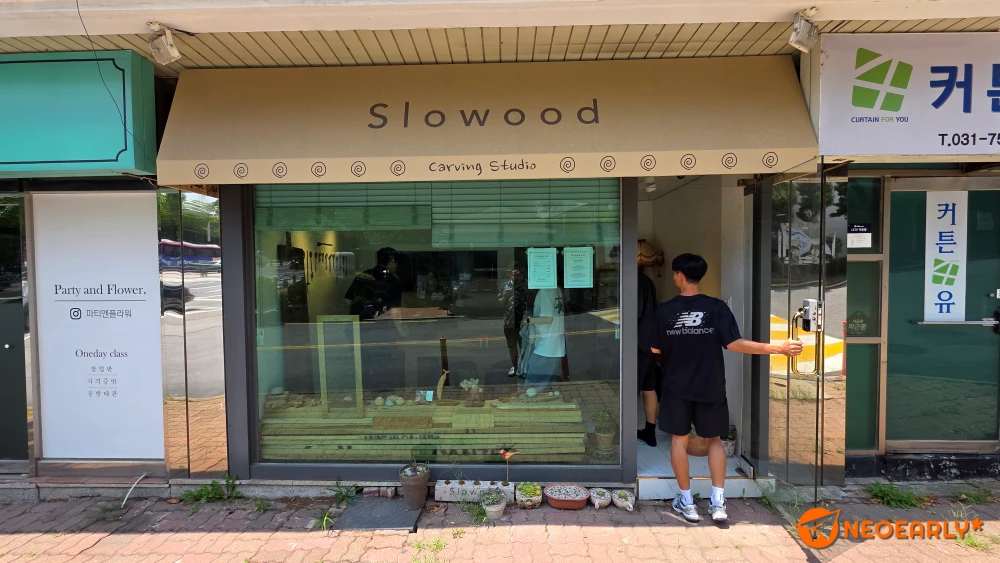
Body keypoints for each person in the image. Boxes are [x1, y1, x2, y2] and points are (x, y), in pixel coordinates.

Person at [654, 253, 802, 523]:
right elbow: (734, 343)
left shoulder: (664, 311)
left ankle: (687, 502)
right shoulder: (717, 307)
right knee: (714, 440)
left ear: (679, 275)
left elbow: (654, 349)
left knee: (679, 440)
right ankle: (718, 502)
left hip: (676, 386)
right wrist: (777, 348)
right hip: (710, 384)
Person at [522, 278, 566, 393]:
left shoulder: (546, 290)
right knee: (547, 387)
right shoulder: (556, 288)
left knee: (530, 389)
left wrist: (527, 320)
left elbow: (547, 319)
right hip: (555, 345)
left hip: (545, 346)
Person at [636, 262, 660, 447]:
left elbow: (633, 313)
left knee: (629, 389)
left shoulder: (634, 281)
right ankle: (650, 432)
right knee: (649, 388)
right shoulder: (647, 281)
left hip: (636, 342)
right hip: (649, 341)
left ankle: (624, 433)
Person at [344, 247, 402, 319]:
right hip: (379, 323)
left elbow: (347, 300)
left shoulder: (363, 275)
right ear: (392, 262)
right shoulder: (392, 281)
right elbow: (395, 311)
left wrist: (359, 311)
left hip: (357, 322)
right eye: (396, 263)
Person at [498, 262, 527, 377]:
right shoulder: (504, 285)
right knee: (512, 345)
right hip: (509, 320)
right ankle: (515, 367)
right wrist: (505, 296)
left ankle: (523, 367)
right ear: (508, 272)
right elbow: (500, 303)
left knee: (524, 345)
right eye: (512, 269)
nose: (515, 272)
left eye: (517, 269)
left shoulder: (525, 284)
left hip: (523, 320)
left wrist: (522, 282)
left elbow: (530, 298)